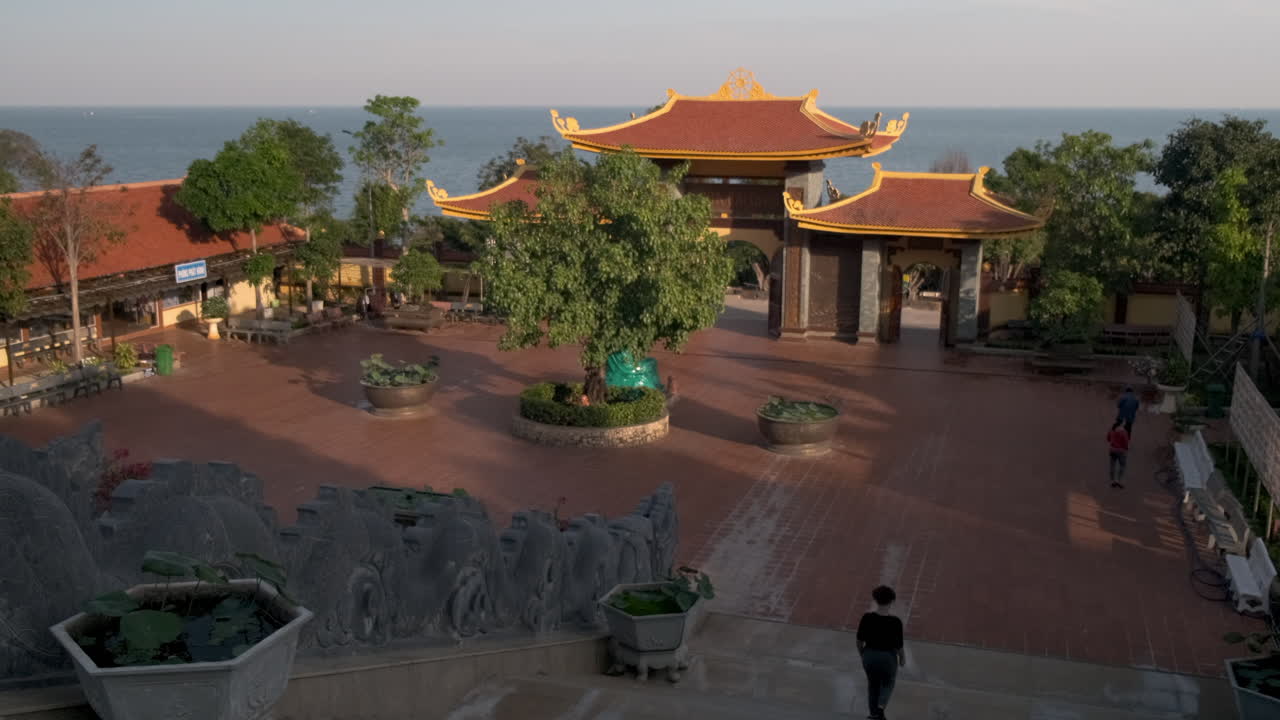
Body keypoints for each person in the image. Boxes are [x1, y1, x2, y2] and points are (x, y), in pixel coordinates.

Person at [856, 585, 905, 719]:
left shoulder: (867, 618)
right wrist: (902, 659)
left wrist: (863, 655)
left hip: (869, 655)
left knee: (872, 685)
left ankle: (874, 715)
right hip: (888, 658)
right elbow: (899, 646)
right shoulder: (896, 622)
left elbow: (859, 641)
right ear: (891, 601)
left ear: (875, 600)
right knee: (888, 682)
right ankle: (880, 707)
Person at [1108, 419, 1129, 489]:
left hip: (1113, 450)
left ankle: (1112, 481)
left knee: (1112, 465)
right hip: (1121, 451)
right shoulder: (1124, 432)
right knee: (1122, 465)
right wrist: (1126, 448)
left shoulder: (1112, 430)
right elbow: (1126, 442)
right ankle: (1119, 481)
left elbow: (1108, 438)